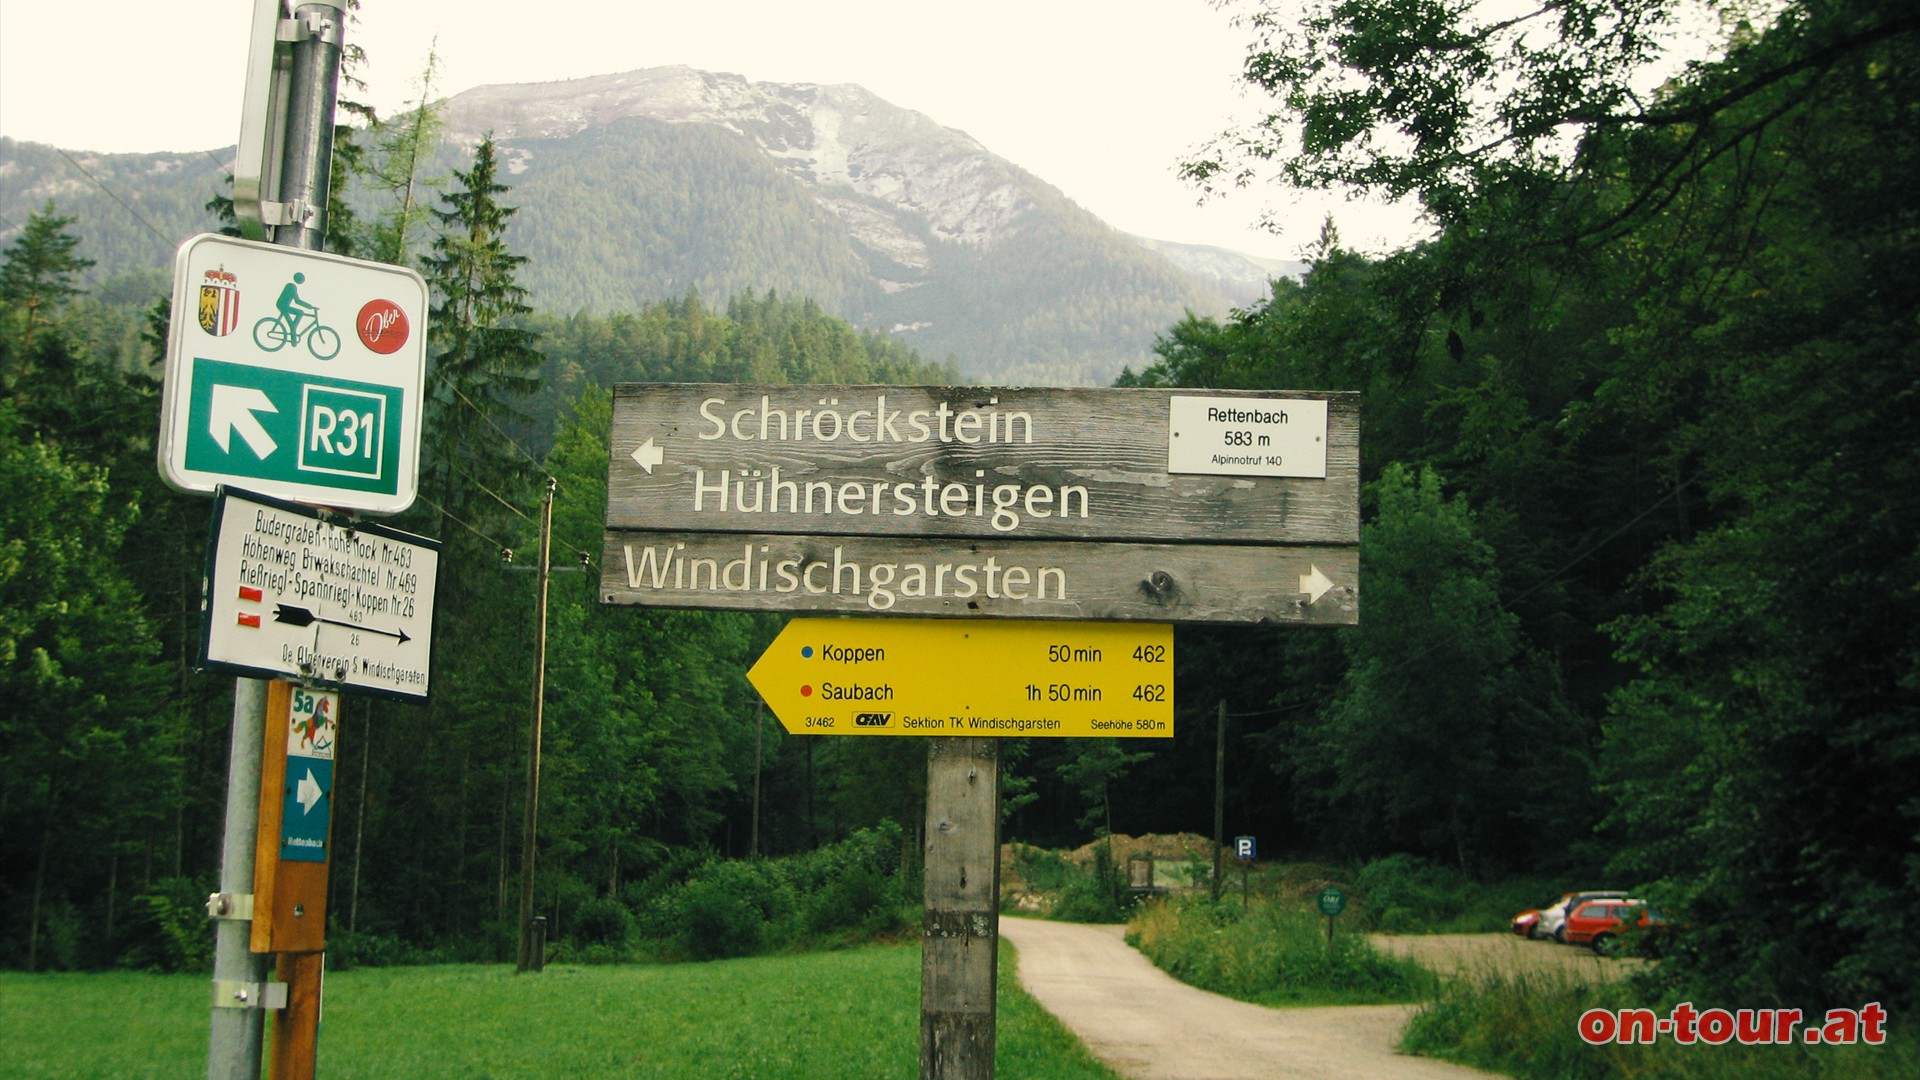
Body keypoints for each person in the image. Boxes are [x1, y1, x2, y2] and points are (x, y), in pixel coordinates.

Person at [276, 273, 319, 338]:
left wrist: (309, 306)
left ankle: (293, 330)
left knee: (299, 313)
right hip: (283, 306)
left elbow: (297, 301)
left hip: (283, 305)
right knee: (300, 313)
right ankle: (293, 331)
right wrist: (310, 306)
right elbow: (297, 301)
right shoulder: (291, 287)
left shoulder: (291, 286)